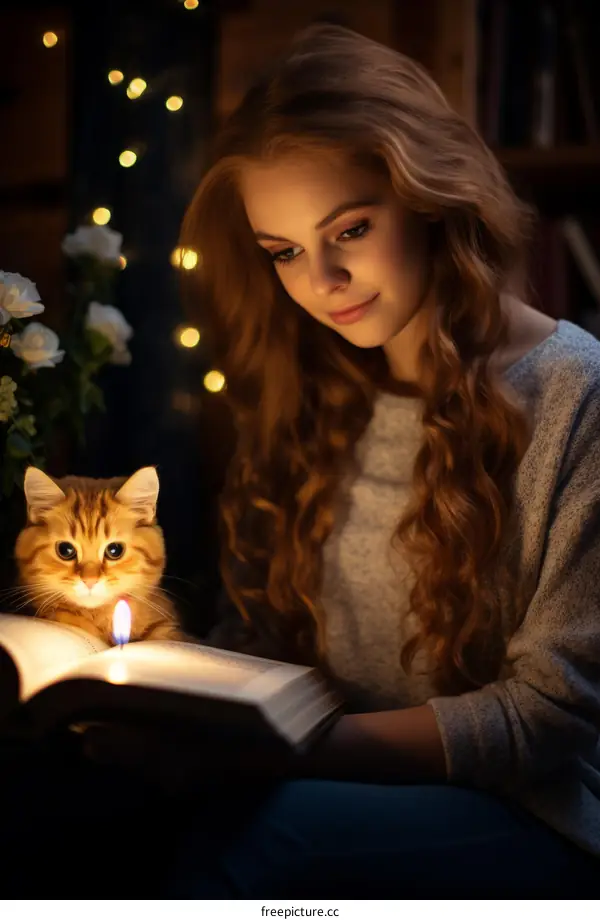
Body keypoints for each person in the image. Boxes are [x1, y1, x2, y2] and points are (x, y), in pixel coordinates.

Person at [88, 22, 600, 896]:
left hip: (525, 810)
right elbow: (266, 635)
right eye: (283, 252)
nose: (320, 280)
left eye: (351, 229)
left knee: (260, 846)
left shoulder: (573, 393)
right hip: (313, 771)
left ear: (429, 193)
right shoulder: (312, 384)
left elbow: (549, 717)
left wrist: (292, 748)